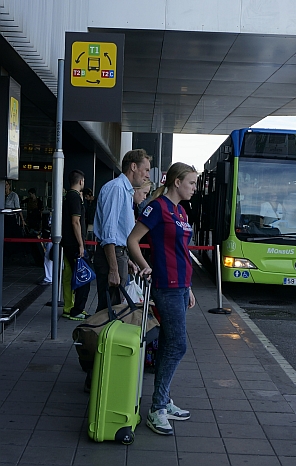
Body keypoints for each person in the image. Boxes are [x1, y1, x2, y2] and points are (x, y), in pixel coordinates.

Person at [127, 162, 197, 436]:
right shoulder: (157, 208)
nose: (194, 188)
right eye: (191, 183)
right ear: (176, 182)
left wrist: (189, 286)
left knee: (169, 342)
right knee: (178, 345)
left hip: (180, 286)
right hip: (165, 285)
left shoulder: (180, 211)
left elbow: (181, 250)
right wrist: (145, 265)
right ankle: (157, 408)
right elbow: (132, 240)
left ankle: (163, 401)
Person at [93, 149, 151, 312]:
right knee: (109, 311)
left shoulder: (124, 190)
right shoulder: (117, 188)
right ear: (133, 166)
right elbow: (109, 233)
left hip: (119, 255)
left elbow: (116, 232)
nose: (147, 175)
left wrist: (126, 260)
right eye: (146, 169)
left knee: (113, 308)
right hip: (113, 255)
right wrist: (113, 268)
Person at [61, 170, 91, 320]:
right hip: (74, 244)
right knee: (84, 277)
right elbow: (76, 221)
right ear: (81, 182)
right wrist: (81, 244)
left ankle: (69, 307)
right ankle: (77, 310)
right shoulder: (75, 198)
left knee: (69, 277)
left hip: (66, 243)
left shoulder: (67, 197)